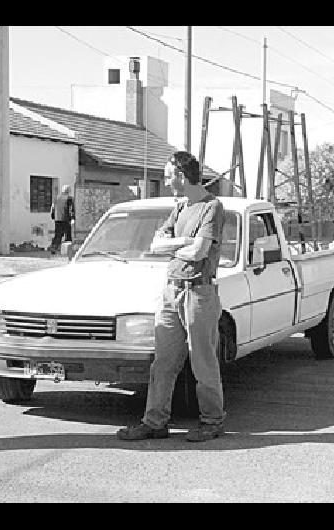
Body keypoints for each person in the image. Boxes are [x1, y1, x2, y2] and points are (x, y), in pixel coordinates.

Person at [117, 151, 226, 442]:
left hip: (199, 291)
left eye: (168, 176)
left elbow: (200, 252)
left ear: (181, 175)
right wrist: (186, 243)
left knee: (202, 360)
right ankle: (155, 422)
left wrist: (179, 246)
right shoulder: (179, 209)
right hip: (172, 289)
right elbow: (156, 244)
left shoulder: (212, 207)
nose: (166, 182)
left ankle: (212, 421)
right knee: (163, 362)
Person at [49, 185, 75, 254]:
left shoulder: (56, 198)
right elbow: (71, 209)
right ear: (69, 191)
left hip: (57, 219)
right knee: (68, 235)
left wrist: (53, 216)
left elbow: (52, 208)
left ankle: (53, 248)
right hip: (66, 219)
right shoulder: (70, 198)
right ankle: (67, 250)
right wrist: (72, 218)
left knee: (58, 234)